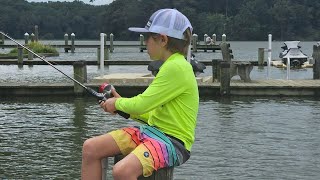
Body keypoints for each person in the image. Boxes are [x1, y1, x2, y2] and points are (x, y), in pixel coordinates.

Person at [81, 8, 199, 180]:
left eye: (147, 38)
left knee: (122, 171)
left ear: (163, 39)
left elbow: (143, 103)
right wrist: (122, 105)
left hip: (172, 143)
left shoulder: (177, 67)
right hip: (151, 132)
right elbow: (152, 113)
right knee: (90, 147)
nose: (145, 43)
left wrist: (116, 104)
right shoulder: (170, 65)